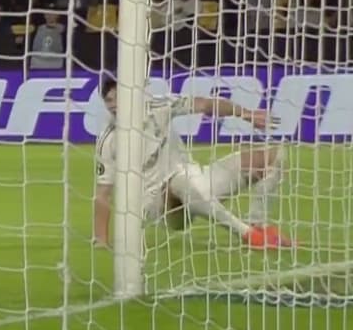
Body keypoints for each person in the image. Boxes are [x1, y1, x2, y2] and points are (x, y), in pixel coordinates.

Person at [92, 76, 291, 250]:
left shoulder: (158, 108)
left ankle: (258, 223)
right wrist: (101, 239)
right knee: (181, 180)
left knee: (274, 156)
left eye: (118, 97)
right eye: (108, 100)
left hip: (195, 179)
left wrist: (246, 114)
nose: (113, 104)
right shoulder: (109, 140)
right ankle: (249, 235)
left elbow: (204, 104)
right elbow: (102, 193)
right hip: (160, 204)